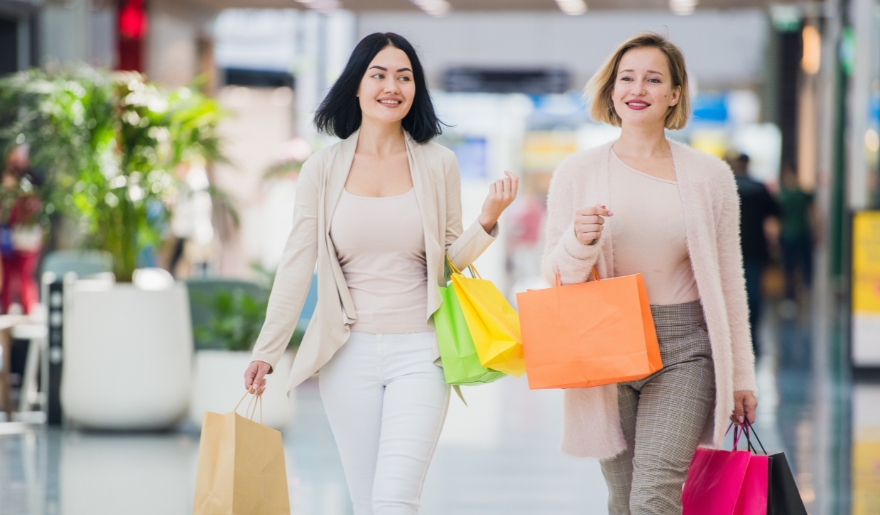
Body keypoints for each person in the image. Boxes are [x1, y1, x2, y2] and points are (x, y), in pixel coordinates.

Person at [243, 33, 518, 515]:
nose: (392, 86)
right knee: (367, 501)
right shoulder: (322, 170)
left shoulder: (438, 164)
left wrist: (488, 220)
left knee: (394, 500)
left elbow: (450, 261)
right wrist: (267, 352)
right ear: (356, 85)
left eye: (405, 76)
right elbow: (295, 264)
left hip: (421, 351)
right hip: (347, 355)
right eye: (379, 74)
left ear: (416, 90)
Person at [541, 33, 757, 514]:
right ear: (612, 89)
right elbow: (555, 277)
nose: (638, 88)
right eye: (627, 77)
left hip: (685, 351)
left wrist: (742, 375)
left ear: (675, 94)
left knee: (654, 493)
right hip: (605, 347)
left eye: (654, 79)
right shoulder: (577, 172)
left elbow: (729, 283)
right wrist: (579, 240)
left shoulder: (709, 176)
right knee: (622, 498)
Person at [730, 153, 779, 356]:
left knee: (730, 295)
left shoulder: (725, 187)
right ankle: (751, 337)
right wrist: (774, 245)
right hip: (755, 250)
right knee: (754, 295)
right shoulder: (759, 189)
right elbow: (772, 222)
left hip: (730, 250)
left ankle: (733, 339)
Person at [0, 145, 43, 315]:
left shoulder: (32, 180)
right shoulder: (5, 180)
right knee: (8, 274)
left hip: (27, 235)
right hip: (8, 235)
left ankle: (28, 307)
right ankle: (6, 307)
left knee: (25, 274)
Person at [777, 163, 814, 306]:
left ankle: (790, 297)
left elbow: (777, 218)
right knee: (804, 266)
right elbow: (814, 214)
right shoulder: (803, 194)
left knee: (789, 267)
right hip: (802, 233)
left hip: (789, 235)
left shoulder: (783, 195)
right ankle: (804, 292)